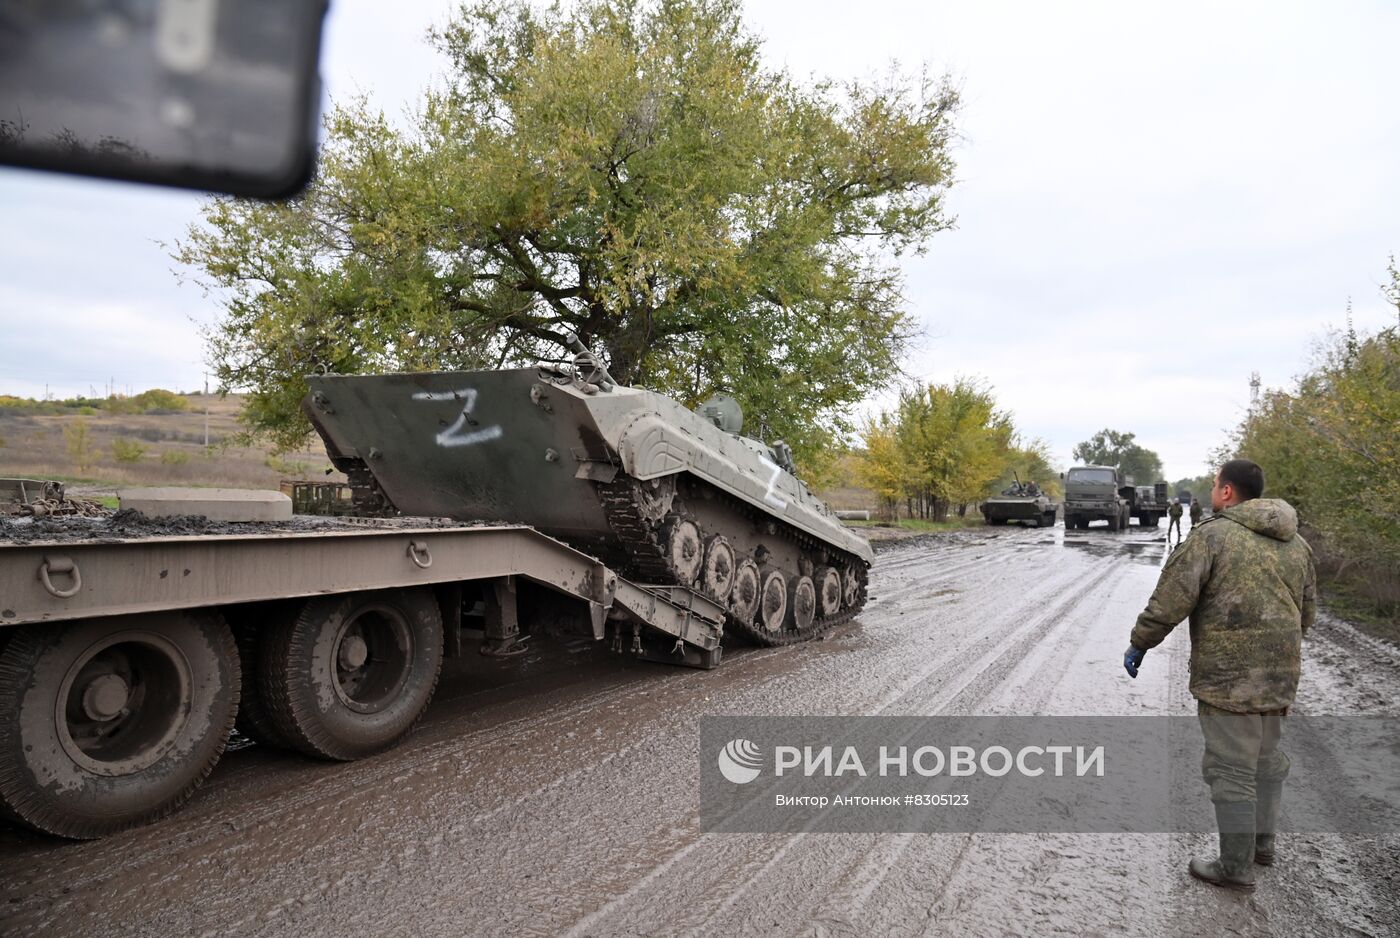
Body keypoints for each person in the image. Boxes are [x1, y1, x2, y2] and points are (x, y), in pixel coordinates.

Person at [1122, 459, 1316, 891]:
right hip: (1280, 677)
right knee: (1267, 762)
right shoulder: (1298, 545)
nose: (1213, 491)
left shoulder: (1212, 537)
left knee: (1231, 769)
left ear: (1227, 492)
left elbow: (1171, 600)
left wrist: (1141, 642)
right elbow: (1308, 613)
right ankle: (1262, 845)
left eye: (1214, 485)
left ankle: (1234, 866)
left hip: (1229, 681)